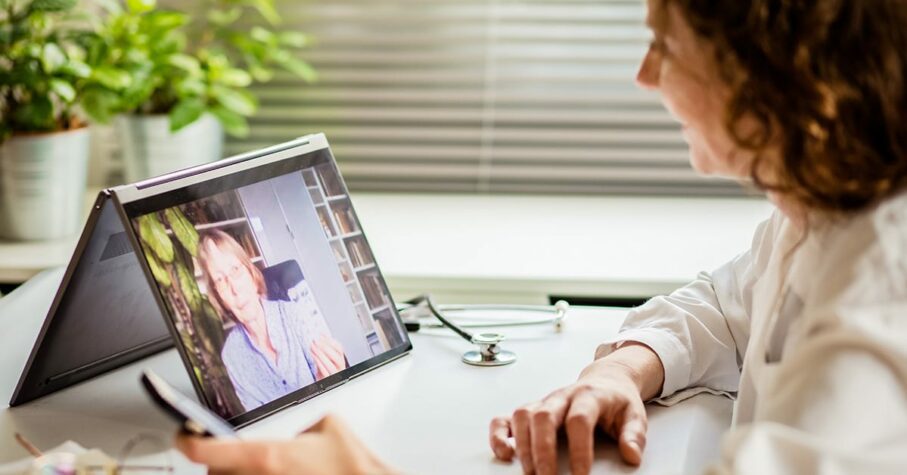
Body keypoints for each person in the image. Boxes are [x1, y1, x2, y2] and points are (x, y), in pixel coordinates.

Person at [178, 0, 907, 472]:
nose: (643, 76)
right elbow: (725, 305)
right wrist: (622, 368)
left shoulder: (880, 303)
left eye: (665, 45)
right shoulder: (818, 208)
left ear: (767, 76)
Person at [197, 229, 348, 412]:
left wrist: (334, 380)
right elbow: (260, 423)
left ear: (251, 275)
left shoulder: (294, 313)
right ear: (219, 298)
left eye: (235, 270)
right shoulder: (231, 355)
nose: (234, 289)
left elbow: (333, 394)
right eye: (220, 281)